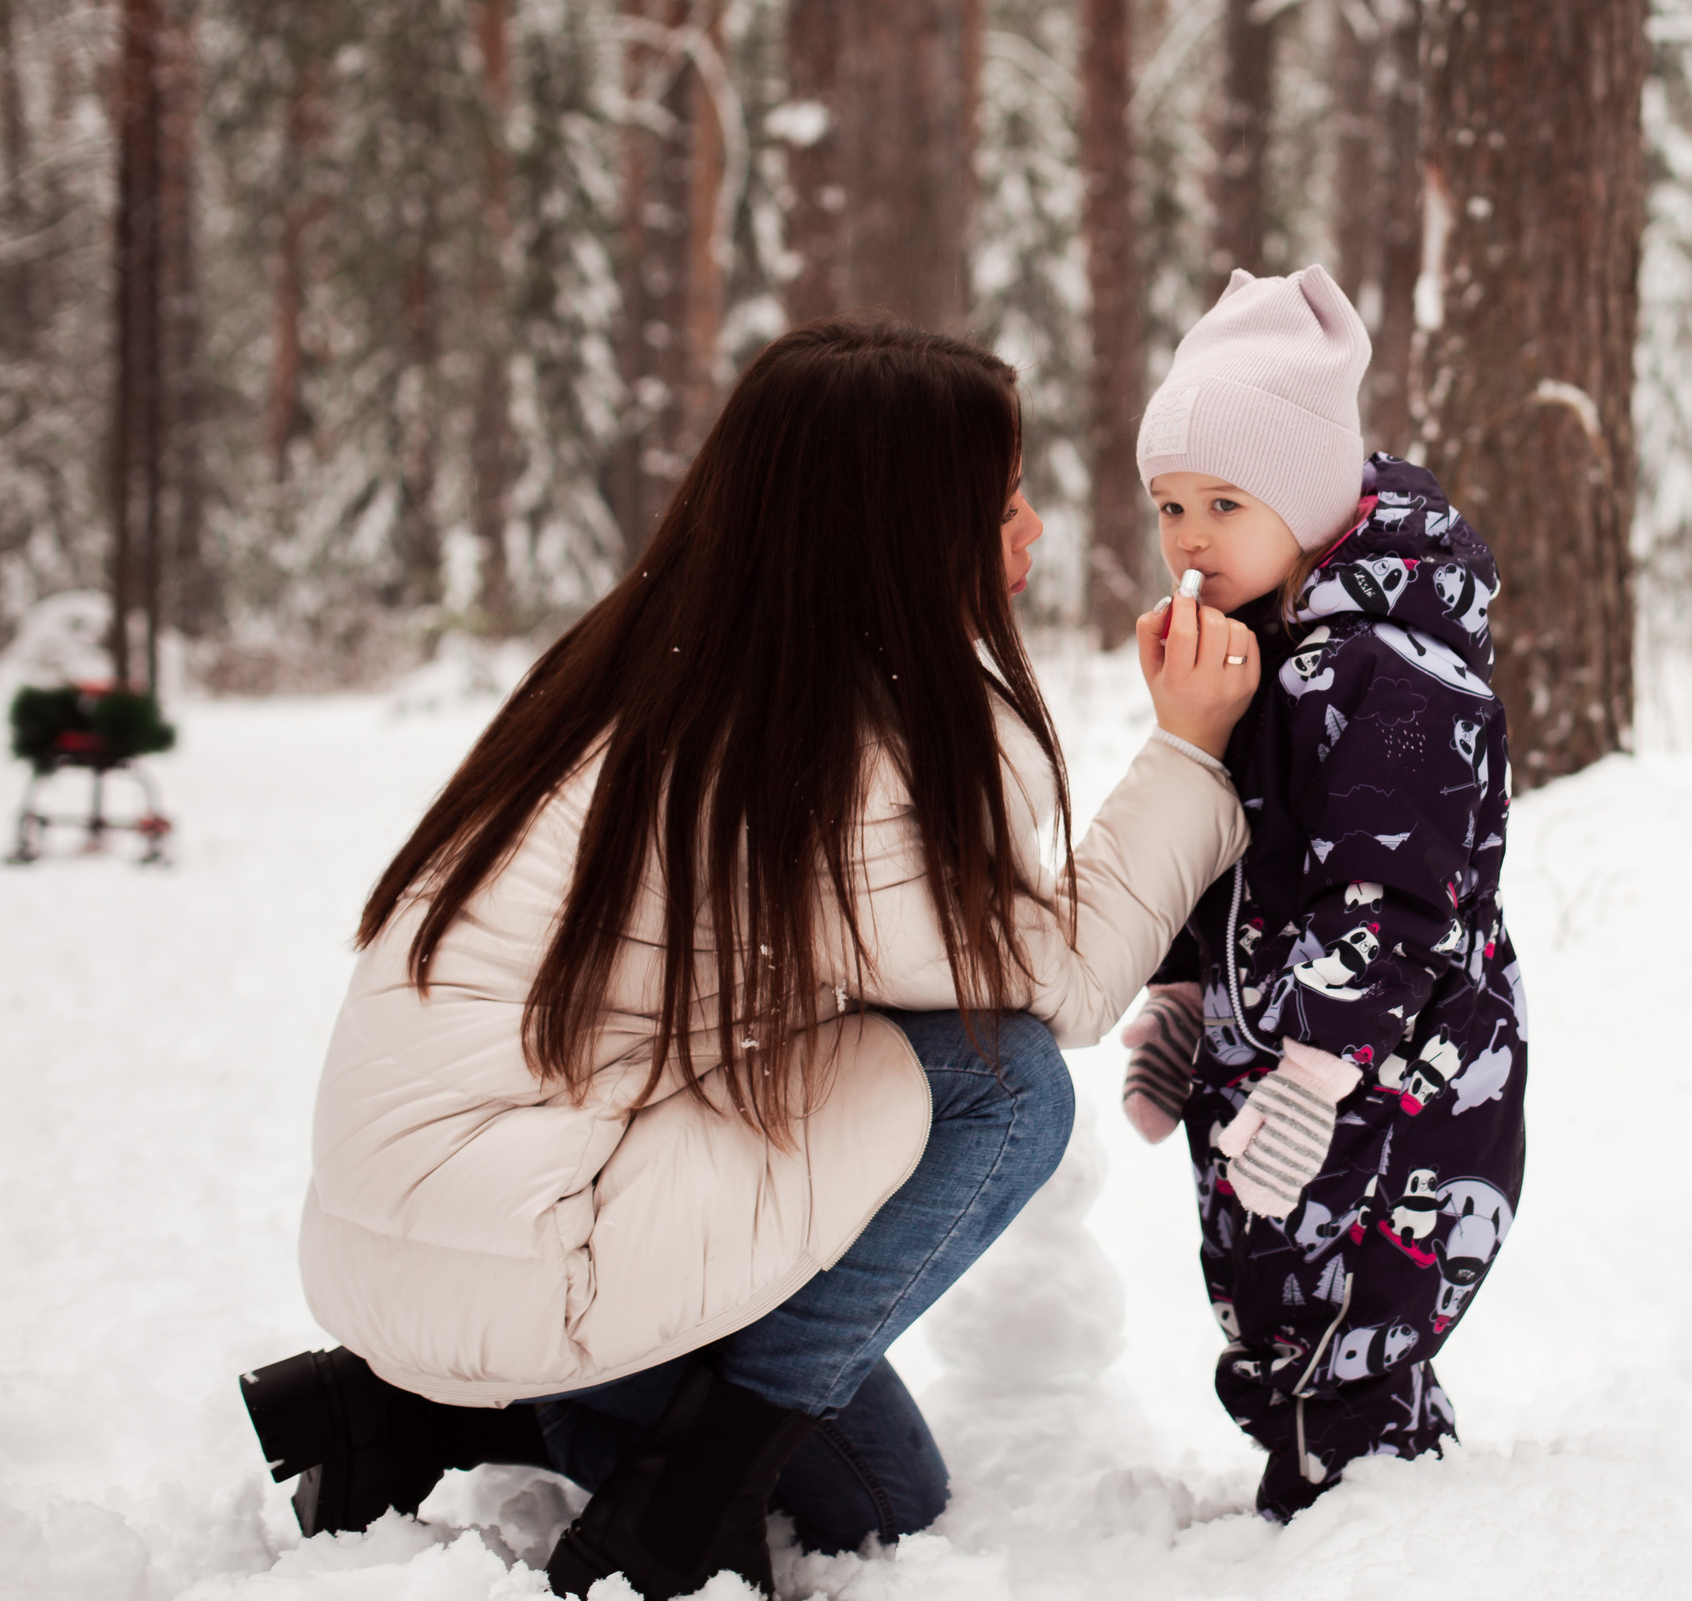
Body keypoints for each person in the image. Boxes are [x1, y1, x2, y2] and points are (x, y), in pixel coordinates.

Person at [235, 319, 1261, 1600]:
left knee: (875, 1420)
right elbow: (1057, 981)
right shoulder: (812, 750)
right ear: (900, 528)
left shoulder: (663, 665)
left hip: (425, 1245)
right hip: (529, 1248)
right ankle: (684, 1497)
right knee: (992, 1120)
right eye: (999, 502)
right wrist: (1189, 750)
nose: (1033, 530)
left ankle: (420, 1418)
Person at [1114, 266, 1530, 1520]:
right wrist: (1187, 996)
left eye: (1225, 502)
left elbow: (1399, 897)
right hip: (1275, 1058)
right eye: (1170, 505)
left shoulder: (1390, 671)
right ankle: (1308, 1475)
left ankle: (1370, 1505)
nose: (1188, 537)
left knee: (1357, 1296)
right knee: (1267, 1281)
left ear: (1307, 495)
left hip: (1393, 1074)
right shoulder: (1269, 646)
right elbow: (1237, 846)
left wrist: (1315, 1071)